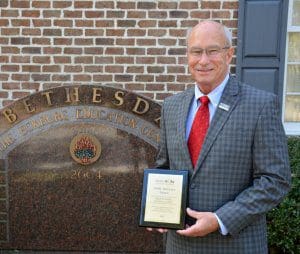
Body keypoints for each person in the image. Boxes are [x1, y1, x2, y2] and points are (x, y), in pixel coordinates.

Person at [148, 20, 291, 254]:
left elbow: (275, 180)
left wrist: (220, 219)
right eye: (196, 51)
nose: (203, 60)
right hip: (180, 246)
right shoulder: (172, 107)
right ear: (188, 56)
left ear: (229, 54)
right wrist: (158, 209)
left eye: (212, 50)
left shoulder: (260, 105)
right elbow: (165, 167)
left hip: (235, 245)